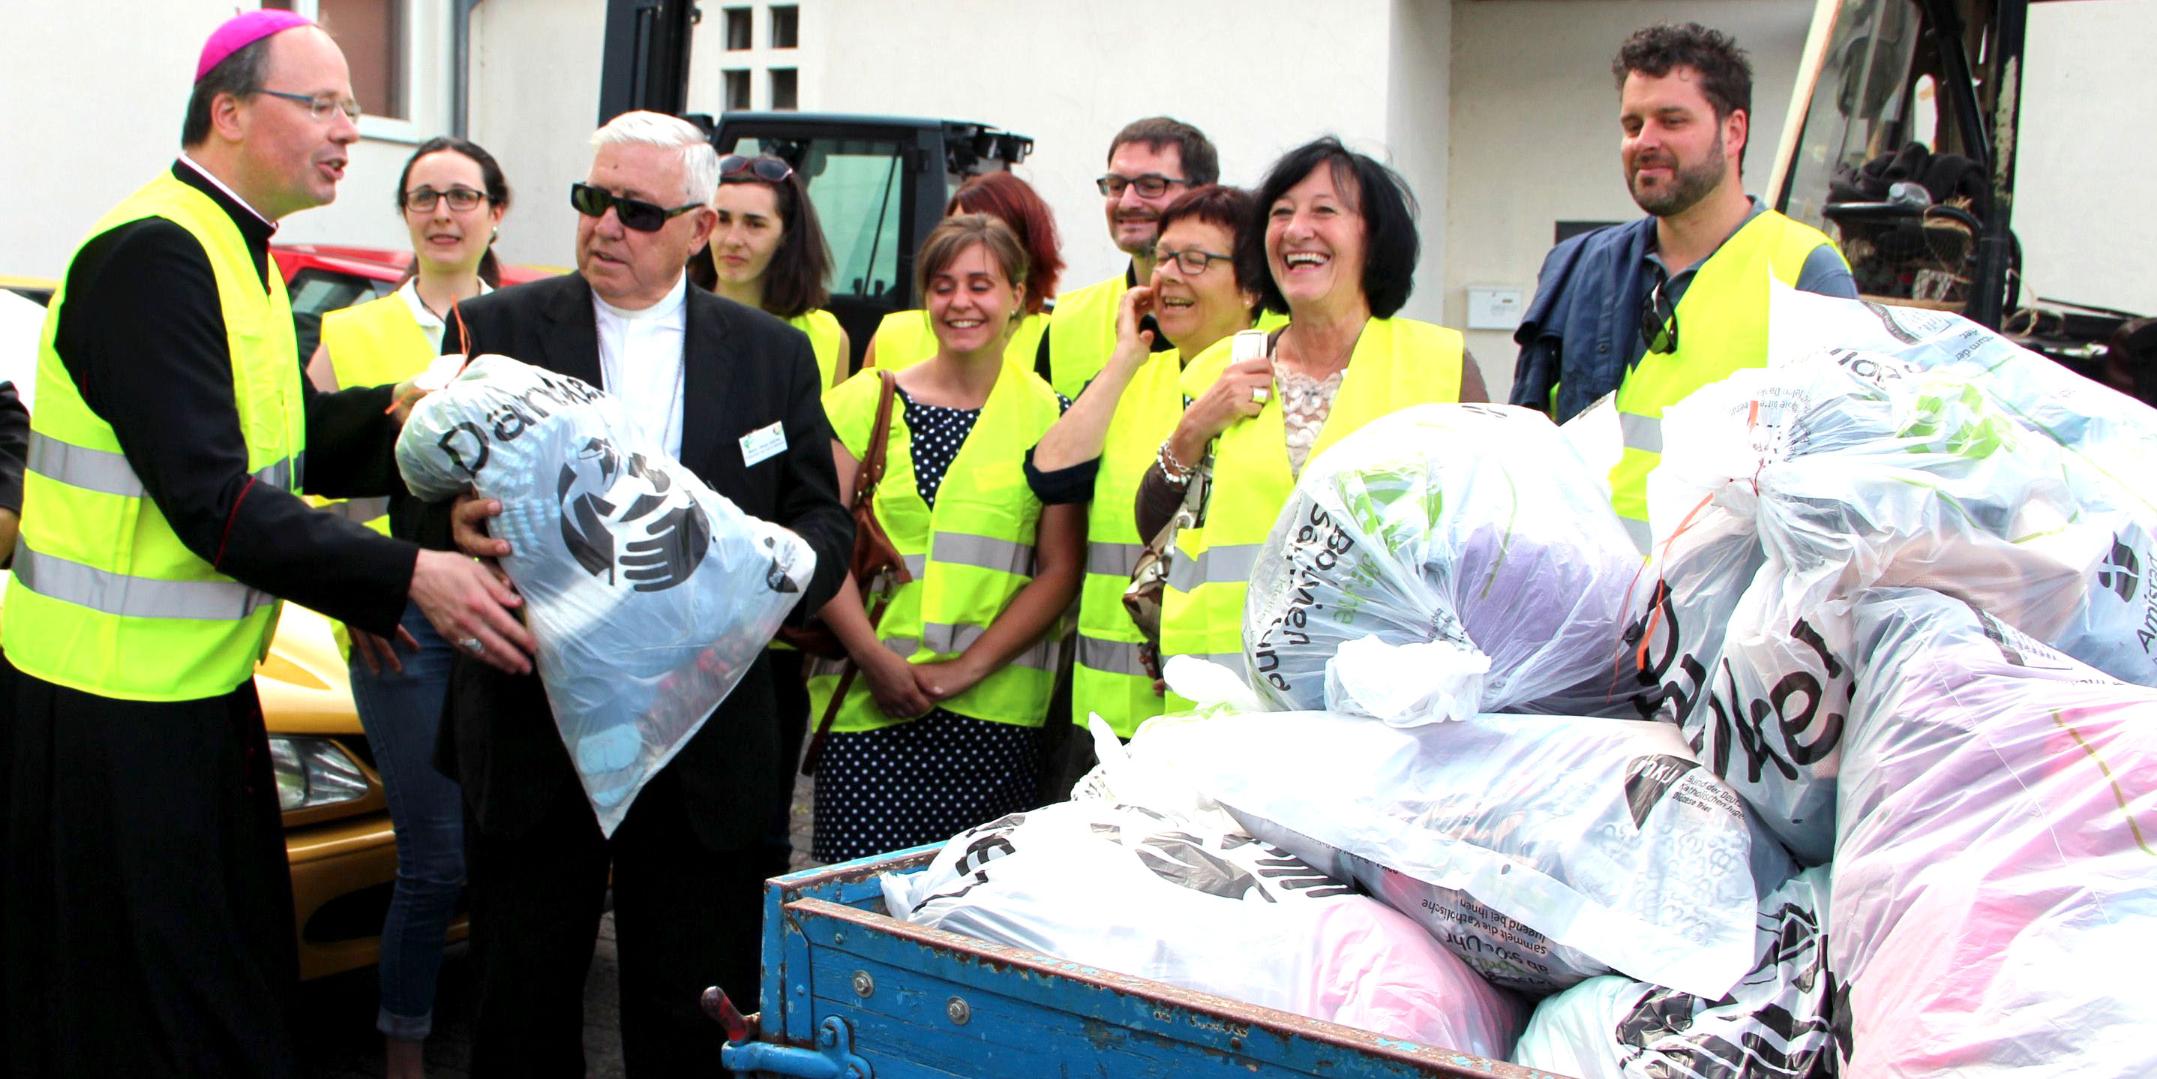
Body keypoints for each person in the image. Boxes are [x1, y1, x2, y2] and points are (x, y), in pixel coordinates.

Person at [0, 12, 533, 1076]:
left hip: (187, 701)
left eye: (350, 104)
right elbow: (214, 498)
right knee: (161, 1022)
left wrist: (415, 428)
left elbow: (286, 443)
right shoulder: (154, 253)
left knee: (223, 997)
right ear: (230, 112)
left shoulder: (236, 249)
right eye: (323, 104)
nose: (349, 128)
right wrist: (408, 575)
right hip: (113, 717)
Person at [433, 110, 851, 1077]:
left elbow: (822, 522)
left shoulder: (769, 355)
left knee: (689, 1016)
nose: (605, 227)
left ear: (700, 229)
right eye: (591, 201)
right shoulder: (496, 331)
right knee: (521, 1008)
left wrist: (777, 578)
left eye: (636, 210)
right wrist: (448, 530)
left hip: (705, 744)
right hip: (536, 734)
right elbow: (429, 500)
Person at [303, 134, 512, 1078]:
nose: (443, 212)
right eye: (424, 195)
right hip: (402, 623)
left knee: (506, 851)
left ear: (495, 212)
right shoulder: (348, 334)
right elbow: (311, 489)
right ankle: (404, 1050)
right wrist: (359, 598)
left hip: (515, 619)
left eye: (462, 195)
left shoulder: (532, 325)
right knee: (432, 858)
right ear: (404, 213)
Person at [1138, 138, 1487, 701]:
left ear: (1375, 238)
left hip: (1380, 711)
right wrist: (1192, 428)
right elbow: (1151, 526)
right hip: (1227, 705)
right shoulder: (1219, 367)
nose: (1297, 230)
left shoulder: (1441, 366)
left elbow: (1489, 548)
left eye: (1325, 211)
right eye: (1281, 213)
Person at [1509, 23, 1858, 549]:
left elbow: (1837, 481)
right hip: (1581, 606)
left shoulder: (1805, 271)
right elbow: (1526, 456)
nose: (1645, 141)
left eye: (1671, 121)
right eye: (1632, 124)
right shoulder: (1580, 268)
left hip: (1721, 617)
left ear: (1733, 130)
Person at [808, 213, 1084, 862]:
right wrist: (876, 662)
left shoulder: (1053, 416)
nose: (959, 302)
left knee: (966, 919)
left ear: (1019, 295)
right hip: (865, 706)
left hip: (996, 717)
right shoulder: (861, 402)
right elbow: (820, 547)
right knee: (859, 910)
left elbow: (1058, 569)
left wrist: (966, 669)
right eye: (942, 284)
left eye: (980, 284)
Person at [1028, 184, 1260, 738]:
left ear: (1252, 285)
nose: (1169, 275)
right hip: (1112, 713)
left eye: (1196, 260)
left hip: (1229, 713)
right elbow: (1051, 473)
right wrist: (1127, 355)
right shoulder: (1135, 378)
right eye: (1163, 257)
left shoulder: (1273, 381)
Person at [1035, 117, 1220, 399]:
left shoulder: (1269, 321)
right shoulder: (1068, 321)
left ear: (1203, 194)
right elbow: (1043, 440)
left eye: (1151, 185)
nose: (1127, 202)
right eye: (1117, 185)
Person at [861, 171, 1063, 373]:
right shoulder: (895, 337)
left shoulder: (1057, 339)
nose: (968, 245)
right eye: (956, 231)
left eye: (989, 234)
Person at [689, 151, 852, 388]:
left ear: (786, 234)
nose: (733, 240)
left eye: (754, 224)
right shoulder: (673, 317)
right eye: (722, 220)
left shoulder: (829, 338)